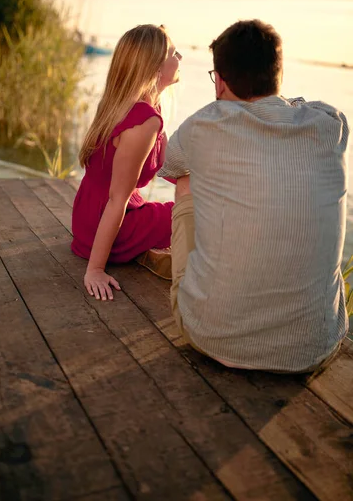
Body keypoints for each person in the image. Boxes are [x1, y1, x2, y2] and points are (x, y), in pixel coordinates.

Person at [159, 19, 349, 373]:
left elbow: (170, 168)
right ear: (276, 74)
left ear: (222, 81)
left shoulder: (204, 125)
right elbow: (308, 106)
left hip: (212, 338)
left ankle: (210, 287)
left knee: (188, 180)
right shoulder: (331, 125)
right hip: (314, 348)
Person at [72, 24, 182, 301]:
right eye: (172, 52)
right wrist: (95, 270)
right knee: (198, 218)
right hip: (108, 229)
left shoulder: (125, 104)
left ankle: (154, 252)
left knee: (191, 208)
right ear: (154, 66)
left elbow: (171, 168)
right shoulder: (145, 121)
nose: (179, 57)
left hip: (87, 219)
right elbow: (117, 200)